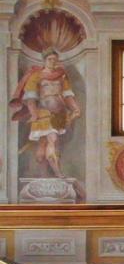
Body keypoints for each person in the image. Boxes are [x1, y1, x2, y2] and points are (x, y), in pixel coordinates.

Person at [9, 48, 81, 178]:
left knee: (45, 144)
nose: (52, 62)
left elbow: (67, 95)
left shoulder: (61, 76)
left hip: (59, 115)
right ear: (44, 60)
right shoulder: (36, 75)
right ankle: (58, 173)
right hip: (43, 113)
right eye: (50, 59)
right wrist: (34, 114)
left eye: (55, 59)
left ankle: (44, 175)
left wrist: (75, 108)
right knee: (52, 140)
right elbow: (31, 98)